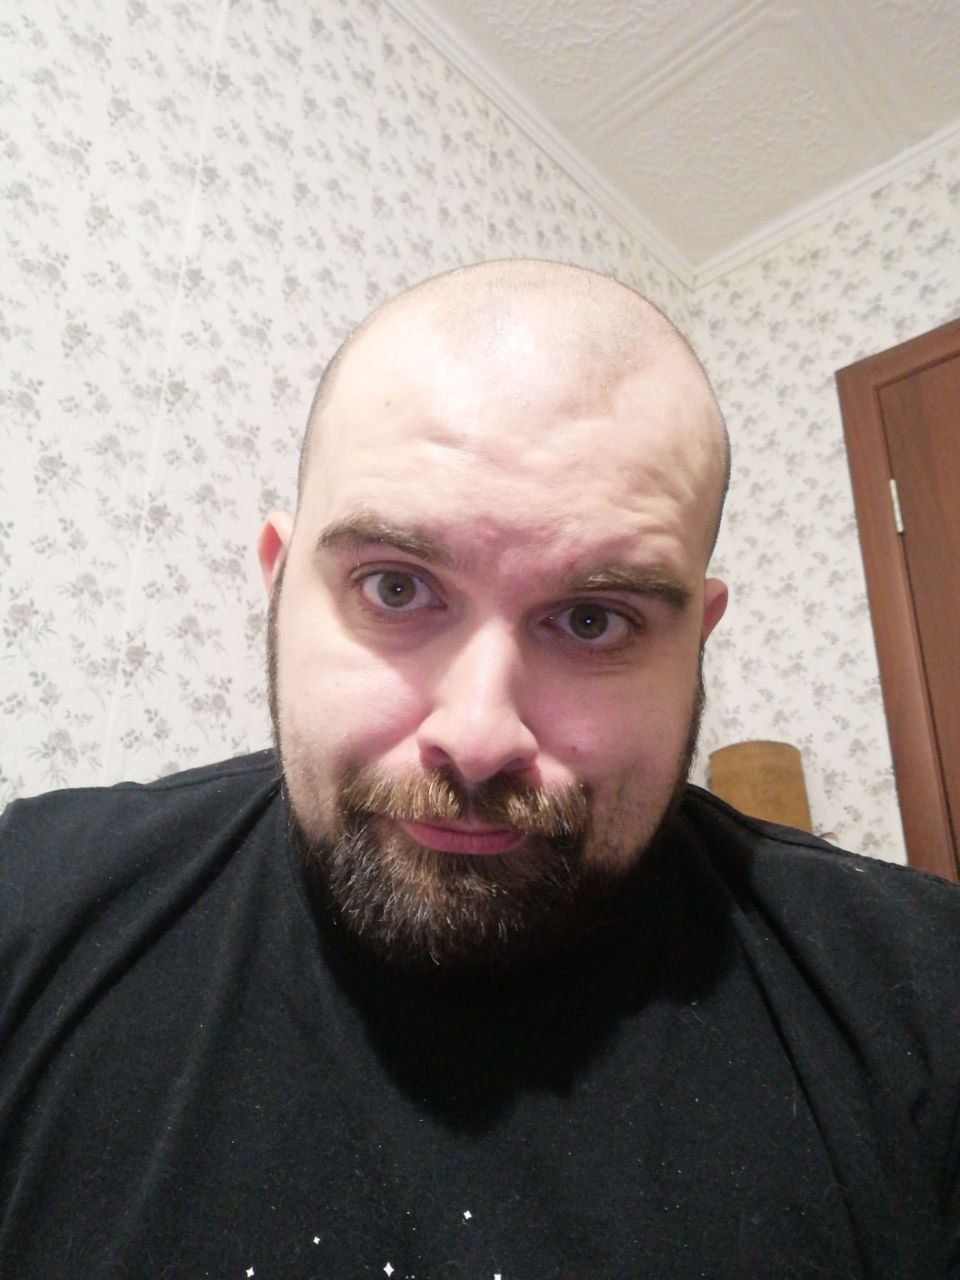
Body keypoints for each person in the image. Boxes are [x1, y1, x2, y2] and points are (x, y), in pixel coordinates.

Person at [1, 260, 957, 1279]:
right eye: (395, 586)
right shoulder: (33, 902)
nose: (479, 734)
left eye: (593, 619)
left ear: (697, 640)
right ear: (280, 588)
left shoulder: (923, 998)